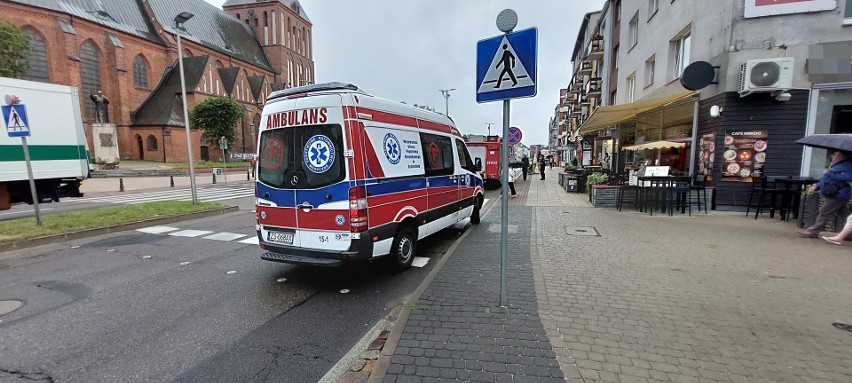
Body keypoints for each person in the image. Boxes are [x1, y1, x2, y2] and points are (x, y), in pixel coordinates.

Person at [799, 151, 852, 238]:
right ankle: (849, 234)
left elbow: (848, 177)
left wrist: (830, 173)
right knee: (844, 215)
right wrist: (817, 186)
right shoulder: (835, 165)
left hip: (839, 194)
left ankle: (813, 231)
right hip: (834, 193)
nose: (833, 156)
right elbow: (826, 179)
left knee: (824, 212)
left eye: (836, 155)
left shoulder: (848, 166)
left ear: (843, 156)